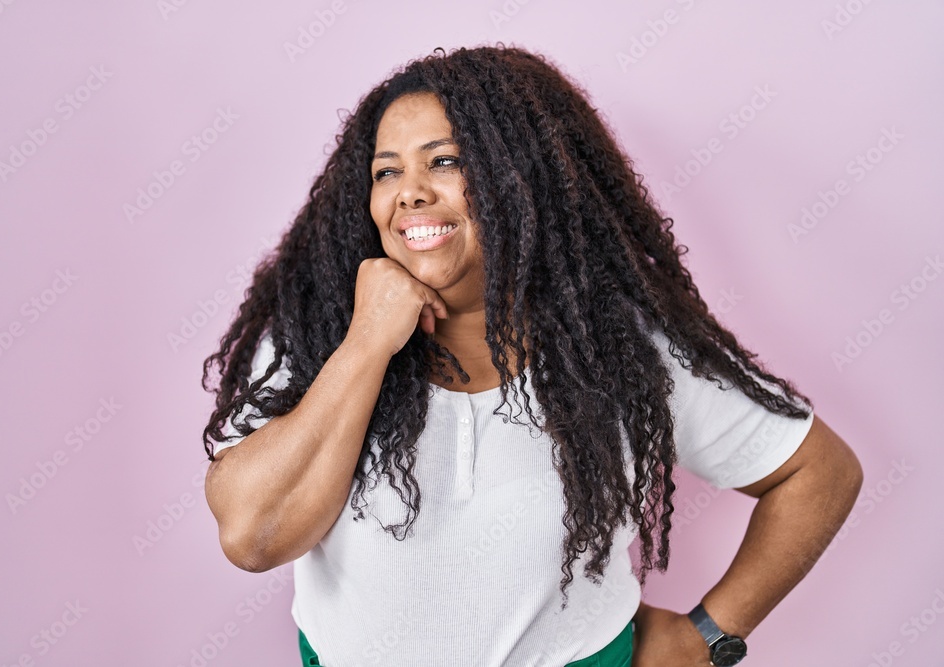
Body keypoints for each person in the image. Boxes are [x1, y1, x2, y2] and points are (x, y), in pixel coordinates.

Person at [201, 45, 863, 667]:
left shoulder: (620, 348)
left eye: (446, 161)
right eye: (387, 170)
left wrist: (707, 637)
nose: (410, 192)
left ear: (523, 180)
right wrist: (367, 342)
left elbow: (819, 472)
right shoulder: (316, 328)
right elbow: (253, 536)